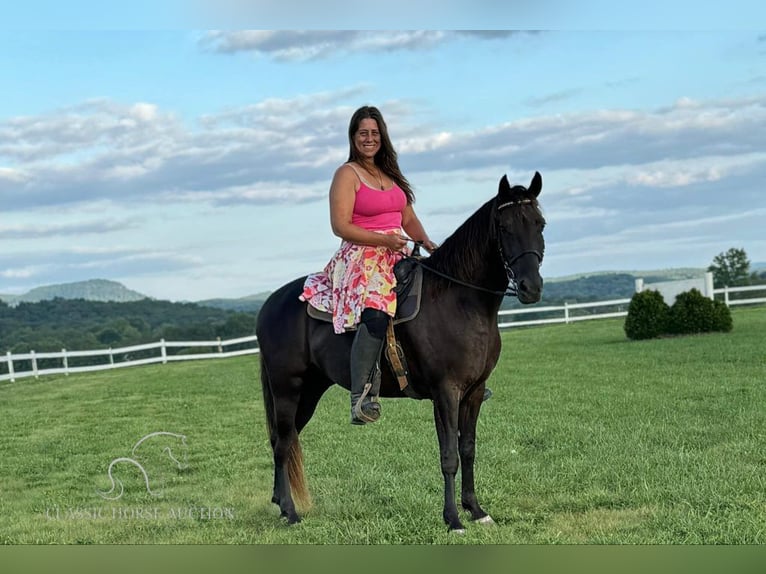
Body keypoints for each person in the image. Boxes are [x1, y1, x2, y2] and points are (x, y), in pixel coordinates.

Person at [299, 105, 437, 425]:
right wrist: (384, 241)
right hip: (363, 254)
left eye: (375, 133)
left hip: (397, 250)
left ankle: (453, 372)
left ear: (382, 136)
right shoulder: (347, 174)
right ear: (353, 137)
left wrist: (427, 242)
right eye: (363, 133)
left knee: (437, 293)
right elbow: (340, 225)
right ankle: (361, 395)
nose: (369, 138)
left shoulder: (391, 175)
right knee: (376, 309)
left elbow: (408, 218)